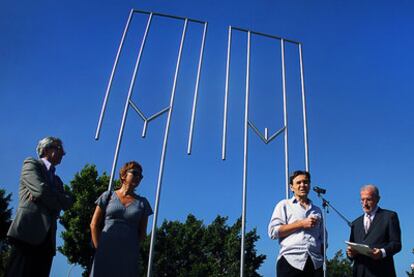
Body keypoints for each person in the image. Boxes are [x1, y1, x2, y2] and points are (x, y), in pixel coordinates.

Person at [6, 137, 73, 277]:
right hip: (27, 234)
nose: (64, 154)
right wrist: (55, 197)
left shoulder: (57, 180)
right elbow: (40, 190)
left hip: (47, 241)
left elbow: (68, 202)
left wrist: (46, 195)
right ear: (46, 149)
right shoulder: (31, 164)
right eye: (60, 149)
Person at [90, 161, 153, 277]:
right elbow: (94, 224)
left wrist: (132, 249)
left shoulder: (143, 203)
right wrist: (98, 248)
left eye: (140, 176)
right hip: (105, 249)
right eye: (134, 173)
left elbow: (142, 232)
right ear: (123, 175)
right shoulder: (107, 196)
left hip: (128, 254)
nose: (138, 177)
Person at [268, 170, 325, 277]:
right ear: (291, 187)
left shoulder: (317, 210)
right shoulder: (284, 205)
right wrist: (301, 224)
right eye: (298, 183)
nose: (302, 185)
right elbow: (273, 232)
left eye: (305, 182)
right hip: (290, 261)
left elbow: (323, 237)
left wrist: (320, 253)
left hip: (315, 263)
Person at [346, 184, 401, 277]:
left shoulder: (389, 216)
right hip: (359, 272)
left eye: (368, 199)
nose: (364, 203)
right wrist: (350, 254)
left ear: (378, 199)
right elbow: (351, 248)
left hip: (382, 272)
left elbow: (396, 244)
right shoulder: (355, 223)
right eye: (362, 200)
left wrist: (382, 252)